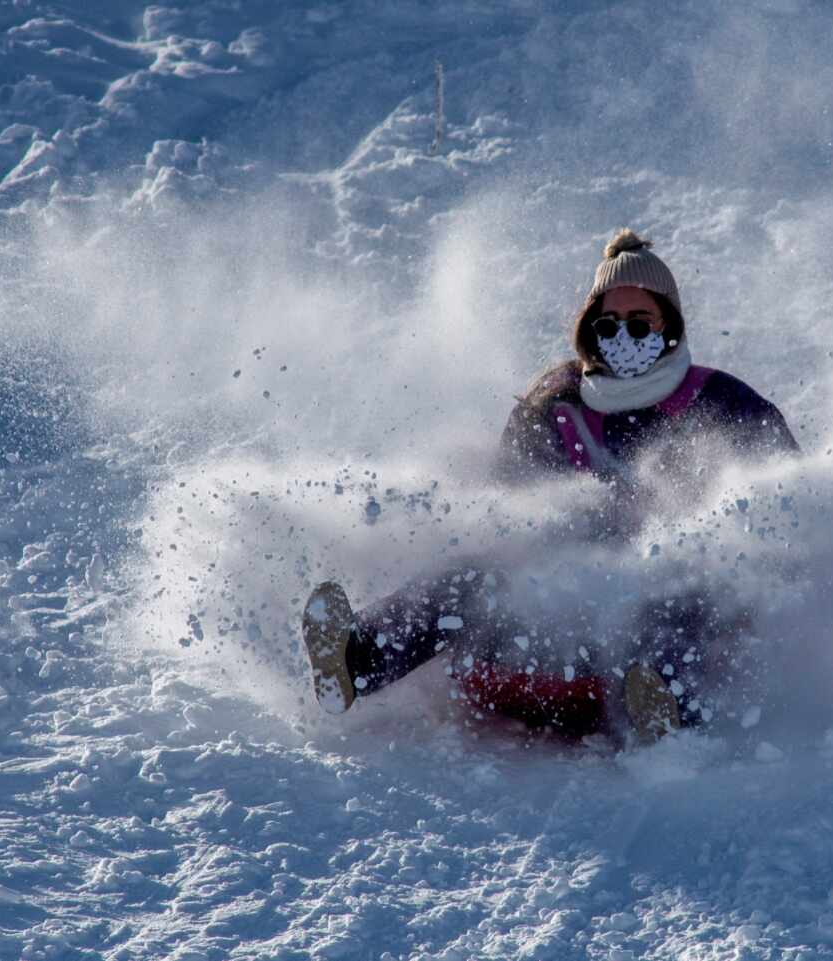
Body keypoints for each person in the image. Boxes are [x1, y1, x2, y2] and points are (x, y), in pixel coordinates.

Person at [303, 229, 799, 743]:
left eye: (639, 322)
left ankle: (665, 707)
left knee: (682, 591)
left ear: (669, 325)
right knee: (477, 569)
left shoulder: (721, 402)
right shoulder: (558, 401)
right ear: (589, 328)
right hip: (544, 634)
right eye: (608, 324)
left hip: (631, 658)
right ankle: (355, 657)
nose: (623, 336)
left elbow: (785, 506)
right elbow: (505, 505)